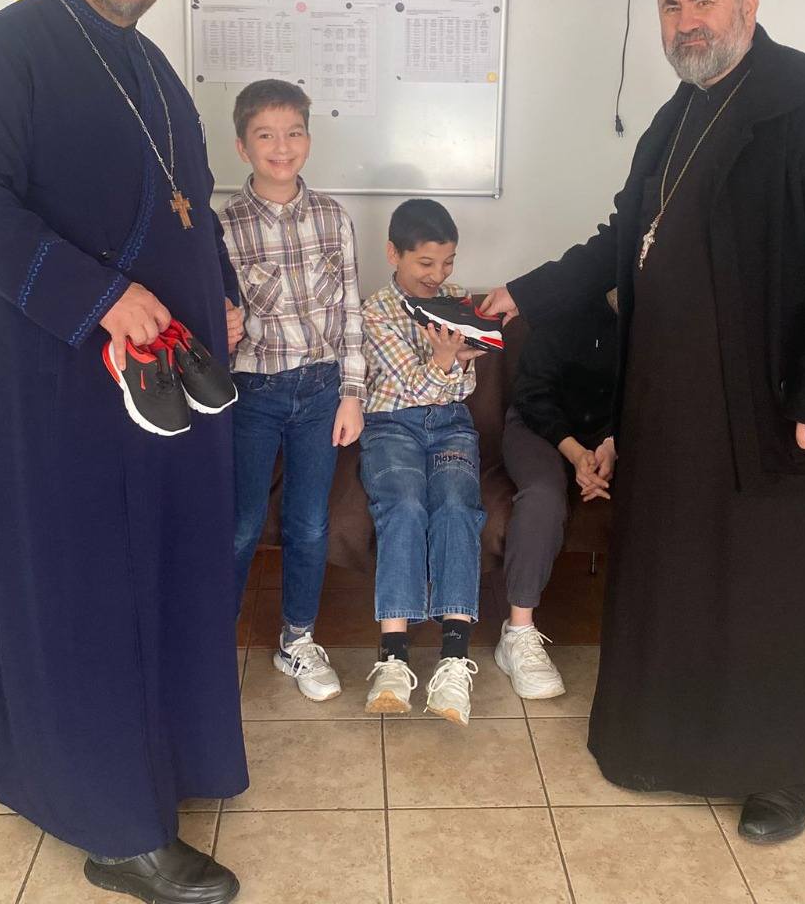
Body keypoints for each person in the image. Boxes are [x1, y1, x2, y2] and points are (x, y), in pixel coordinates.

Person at [482, 0, 805, 843]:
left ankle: (780, 773)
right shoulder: (679, 114)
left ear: (747, 4)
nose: (686, 23)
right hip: (672, 407)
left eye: (702, 2)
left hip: (775, 410)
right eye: (671, 7)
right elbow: (623, 238)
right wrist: (526, 292)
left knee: (767, 590)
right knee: (680, 578)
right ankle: (661, 746)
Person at [0, 0, 246, 904]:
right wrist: (100, 298)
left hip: (169, 382)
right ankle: (117, 828)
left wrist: (225, 290)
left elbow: (190, 201)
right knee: (92, 590)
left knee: (169, 569)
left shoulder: (150, 66)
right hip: (66, 382)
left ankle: (168, 763)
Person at [219, 78, 364, 703]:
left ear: (309, 137)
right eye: (266, 135)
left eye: (294, 132)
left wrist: (353, 394)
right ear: (242, 146)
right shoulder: (222, 227)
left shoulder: (334, 218)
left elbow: (351, 311)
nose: (282, 147)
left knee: (309, 523)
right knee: (240, 523)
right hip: (251, 393)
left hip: (323, 391)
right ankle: (211, 641)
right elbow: (212, 320)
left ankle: (297, 638)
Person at [359, 199, 487, 724]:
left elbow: (465, 385)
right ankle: (393, 659)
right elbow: (413, 387)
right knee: (406, 505)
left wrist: (449, 365)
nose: (440, 275)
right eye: (426, 263)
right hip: (390, 425)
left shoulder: (458, 301)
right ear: (394, 253)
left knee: (457, 504)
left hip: (452, 424)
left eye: (448, 261)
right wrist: (445, 360)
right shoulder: (374, 312)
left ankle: (454, 660)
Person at [494, 290, 619, 699]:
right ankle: (518, 633)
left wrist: (611, 446)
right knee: (544, 496)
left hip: (611, 438)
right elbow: (533, 396)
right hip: (538, 427)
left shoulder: (663, 319)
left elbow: (647, 396)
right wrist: (578, 454)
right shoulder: (565, 307)